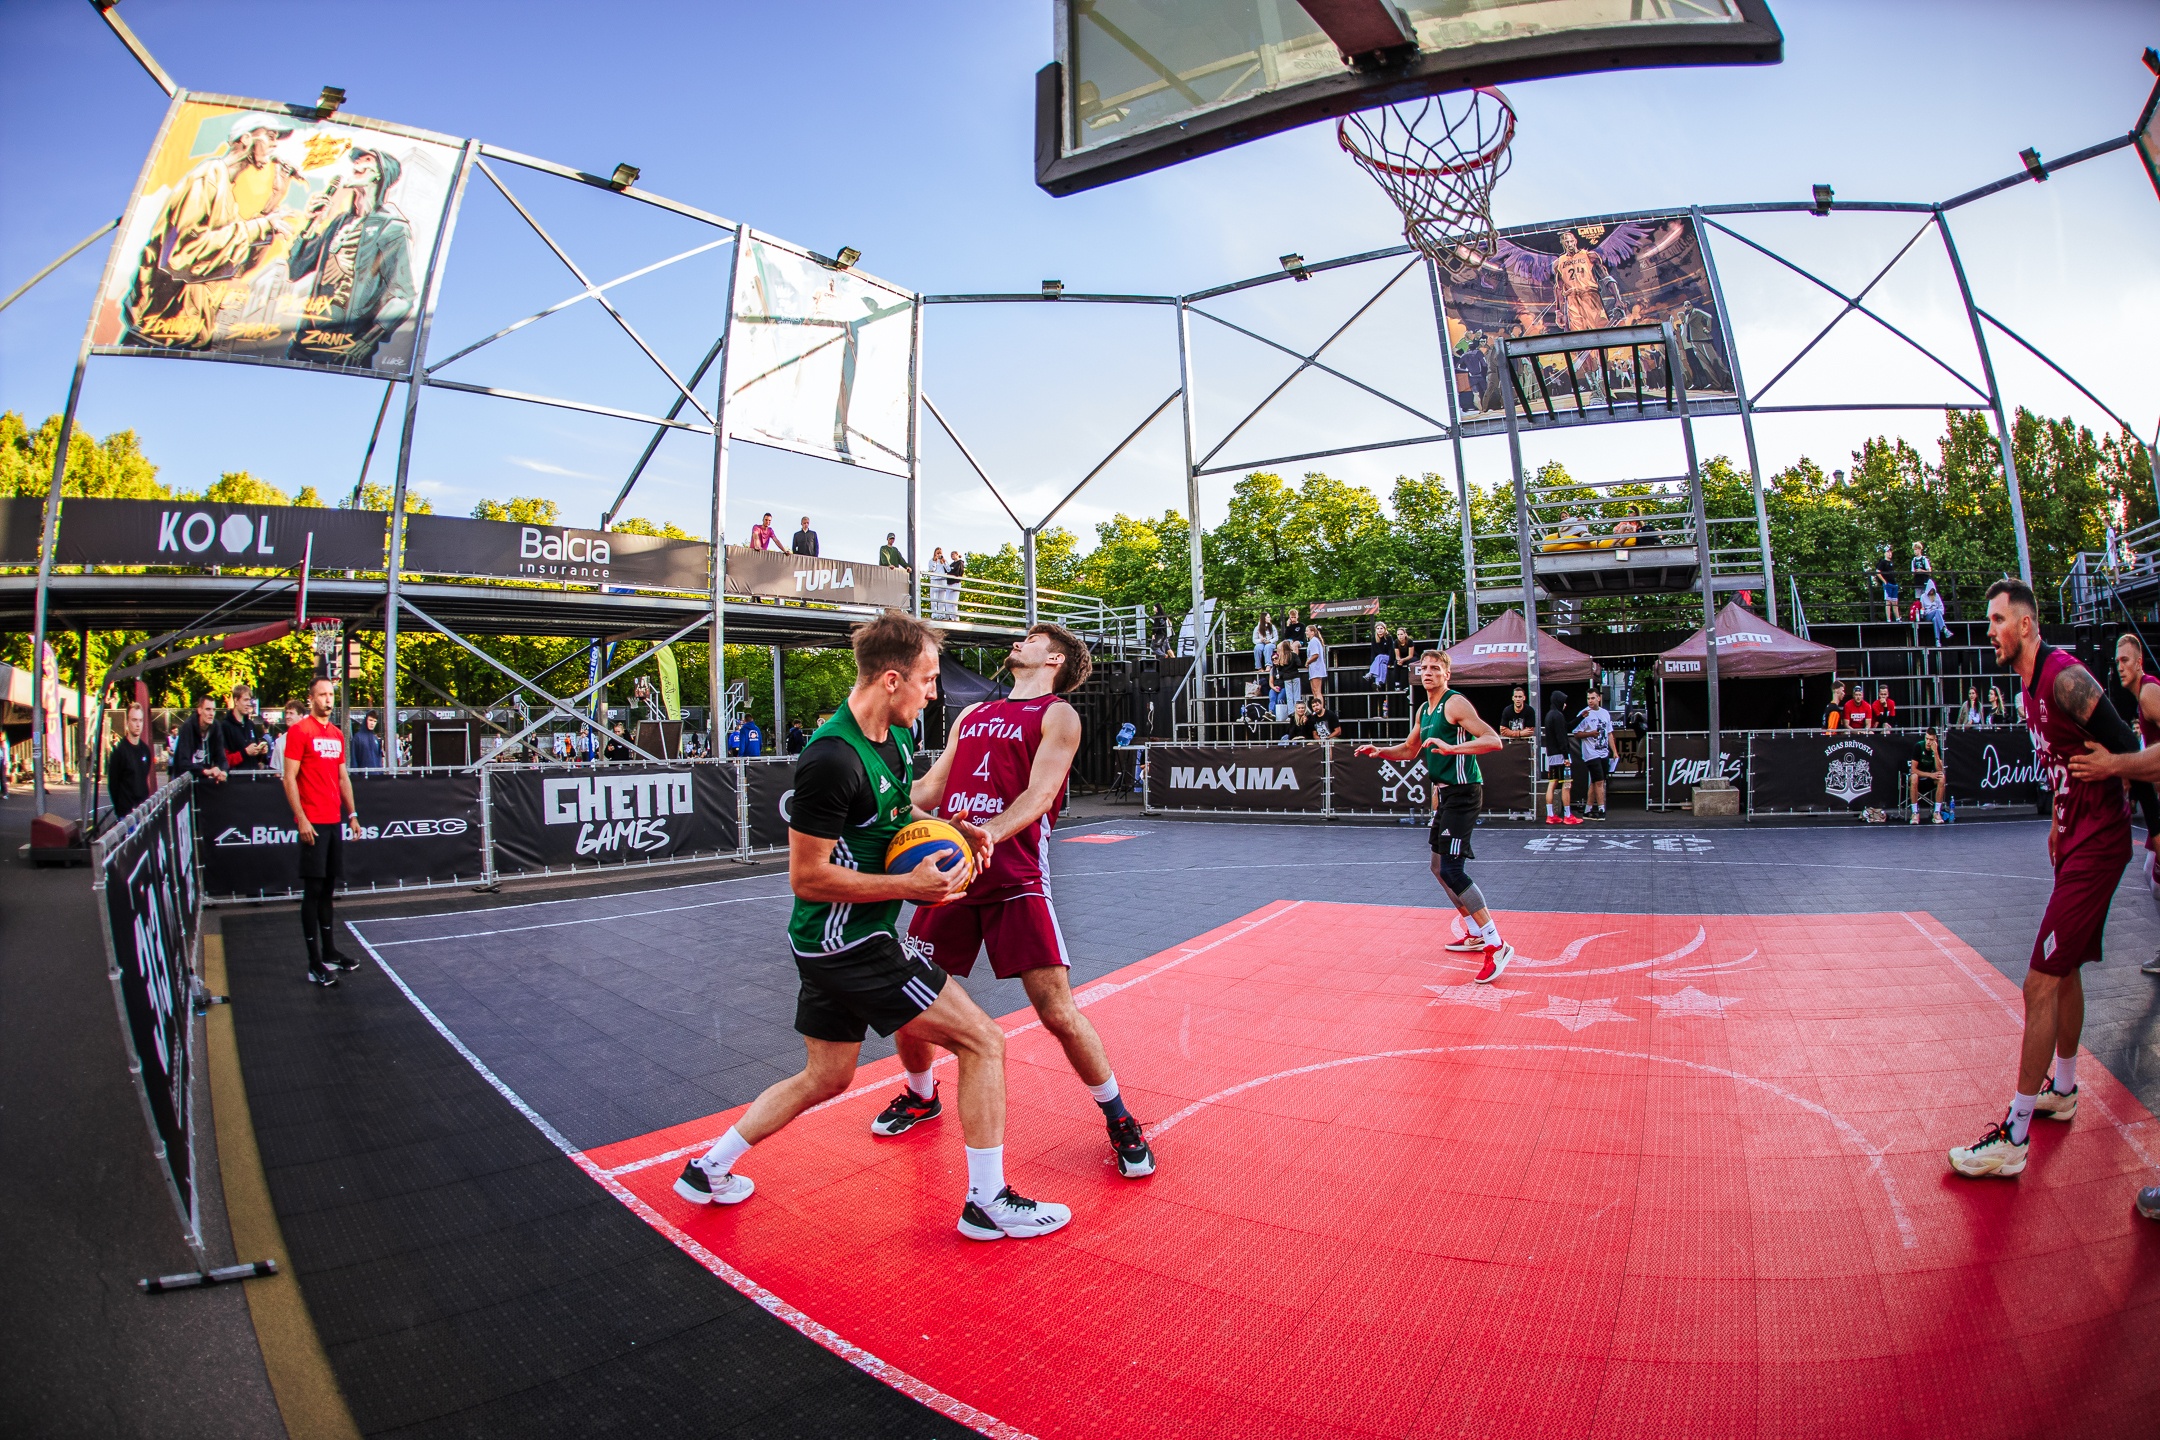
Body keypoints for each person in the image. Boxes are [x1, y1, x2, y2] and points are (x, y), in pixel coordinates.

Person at [674, 612, 1070, 1241]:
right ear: (892, 680)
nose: (934, 693)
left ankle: (707, 1168)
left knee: (826, 1076)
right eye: (928, 680)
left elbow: (896, 813)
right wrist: (910, 888)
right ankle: (987, 1202)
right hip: (849, 942)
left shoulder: (896, 740)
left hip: (828, 943)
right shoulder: (831, 759)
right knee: (983, 1042)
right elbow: (808, 877)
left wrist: (951, 830)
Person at [894, 622, 1154, 1178]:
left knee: (1057, 1011)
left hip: (1015, 878)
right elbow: (930, 789)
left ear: (1055, 659)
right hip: (951, 876)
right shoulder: (972, 713)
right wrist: (873, 794)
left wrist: (985, 833)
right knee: (910, 995)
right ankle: (920, 1094)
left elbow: (1040, 794)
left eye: (1032, 640)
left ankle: (1119, 1117)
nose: (1019, 642)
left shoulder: (1058, 715)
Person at [1947, 579, 2136, 1180]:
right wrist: (2058, 821)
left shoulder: (2064, 678)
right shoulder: (2026, 688)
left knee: (2039, 983)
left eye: (1998, 620)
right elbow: (2062, 765)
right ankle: (2067, 1088)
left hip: (2099, 845)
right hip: (2074, 840)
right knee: (2066, 967)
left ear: (2026, 624)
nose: (1991, 631)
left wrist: (2146, 815)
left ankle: (2015, 1135)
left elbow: (2132, 751)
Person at [1356, 650, 1515, 982]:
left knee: (1453, 871)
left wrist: (1453, 748)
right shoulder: (1423, 710)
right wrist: (1380, 751)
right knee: (1437, 867)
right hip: (1445, 794)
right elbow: (1410, 749)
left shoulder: (1454, 704)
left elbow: (1493, 740)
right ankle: (1474, 931)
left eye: (1435, 668)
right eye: (1424, 668)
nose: (1427, 673)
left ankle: (1496, 943)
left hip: (1464, 792)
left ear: (1447, 675)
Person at [120, 112, 304, 351]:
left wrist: (273, 203)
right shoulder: (206, 178)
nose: (274, 144)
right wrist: (261, 226)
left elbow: (235, 265)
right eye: (270, 136)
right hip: (156, 330)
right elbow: (184, 254)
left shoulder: (225, 189)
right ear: (246, 139)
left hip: (188, 335)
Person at [283, 146, 416, 369]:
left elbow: (403, 296)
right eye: (356, 160)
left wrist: (366, 342)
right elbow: (295, 269)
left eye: (366, 160)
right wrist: (311, 225)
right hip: (307, 341)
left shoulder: (392, 227)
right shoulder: (340, 222)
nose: (357, 164)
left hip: (347, 347)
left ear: (380, 174)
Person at [283, 676, 363, 988]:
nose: (328, 700)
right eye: (322, 695)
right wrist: (301, 819)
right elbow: (289, 778)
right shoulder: (300, 731)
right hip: (312, 822)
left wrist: (352, 814)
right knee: (313, 891)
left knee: (328, 889)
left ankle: (329, 952)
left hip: (333, 821)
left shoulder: (337, 734)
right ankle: (314, 962)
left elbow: (343, 777)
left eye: (331, 694)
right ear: (311, 698)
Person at [2111, 633, 2160, 907]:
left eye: (2125, 660)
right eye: (2117, 661)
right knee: (2151, 875)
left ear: (2139, 662)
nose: (2120, 667)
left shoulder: (2149, 693)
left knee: (2155, 879)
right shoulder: (2143, 697)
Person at [105, 703, 157, 822]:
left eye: (140, 720)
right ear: (127, 722)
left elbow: (144, 777)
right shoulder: (119, 752)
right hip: (126, 815)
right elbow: (113, 784)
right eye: (134, 720)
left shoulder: (145, 750)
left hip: (143, 811)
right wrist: (120, 810)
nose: (138, 724)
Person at [1572, 687, 1616, 820]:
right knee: (1599, 781)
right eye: (1588, 698)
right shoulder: (1584, 714)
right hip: (1591, 753)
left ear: (1599, 698)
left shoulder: (1605, 713)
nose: (1590, 701)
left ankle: (1588, 809)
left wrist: (1614, 751)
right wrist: (1590, 733)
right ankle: (1601, 808)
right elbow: (1576, 733)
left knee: (1596, 781)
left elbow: (1609, 733)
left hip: (1603, 751)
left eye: (1592, 698)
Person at [171, 693, 228, 787]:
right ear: (199, 710)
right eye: (208, 709)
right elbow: (183, 762)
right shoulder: (188, 727)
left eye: (214, 710)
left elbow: (221, 757)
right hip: (185, 782)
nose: (211, 714)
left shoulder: (216, 726)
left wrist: (224, 771)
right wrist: (205, 771)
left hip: (204, 781)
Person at [1541, 689, 1578, 824]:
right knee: (1566, 784)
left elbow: (1567, 727)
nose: (1565, 705)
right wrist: (1566, 756)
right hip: (1561, 756)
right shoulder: (1558, 716)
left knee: (1552, 783)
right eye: (1564, 702)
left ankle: (1550, 814)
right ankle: (1568, 815)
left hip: (1552, 755)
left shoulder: (1549, 715)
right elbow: (1561, 737)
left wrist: (1581, 717)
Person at [218, 682, 273, 771]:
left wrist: (260, 752)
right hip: (237, 777)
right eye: (245, 700)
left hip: (253, 776)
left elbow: (256, 759)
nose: (248, 704)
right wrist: (245, 752)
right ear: (236, 701)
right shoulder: (225, 726)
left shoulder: (250, 724)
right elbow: (224, 760)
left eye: (249, 700)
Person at [1909, 729, 1945, 823]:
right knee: (1914, 777)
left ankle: (1937, 812)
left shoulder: (1937, 748)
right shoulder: (1918, 746)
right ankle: (1915, 813)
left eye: (1931, 740)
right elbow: (1913, 770)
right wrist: (1930, 775)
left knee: (1942, 777)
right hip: (1919, 778)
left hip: (1930, 780)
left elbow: (1939, 769)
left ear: (1935, 740)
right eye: (1927, 739)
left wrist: (1935, 753)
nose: (1928, 742)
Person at [1919, 579, 1948, 645]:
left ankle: (1937, 640)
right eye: (1930, 590)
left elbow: (1941, 608)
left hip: (1937, 614)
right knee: (1936, 611)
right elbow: (1922, 609)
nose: (1931, 592)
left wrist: (1939, 614)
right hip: (1928, 615)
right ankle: (1944, 628)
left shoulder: (1937, 596)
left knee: (1935, 619)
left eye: (1933, 590)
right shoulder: (1923, 597)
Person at [1876, 546, 1900, 624]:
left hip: (1894, 583)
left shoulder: (1891, 562)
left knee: (1895, 602)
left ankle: (1897, 618)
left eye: (1890, 552)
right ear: (1885, 553)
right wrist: (1884, 581)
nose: (1890, 553)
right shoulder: (1883, 562)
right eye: (1888, 552)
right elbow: (1878, 572)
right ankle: (1888, 619)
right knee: (1888, 602)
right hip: (1888, 584)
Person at [1305, 624, 1328, 704]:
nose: (1306, 632)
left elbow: (1315, 655)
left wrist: (1308, 662)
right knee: (1314, 690)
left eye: (1307, 631)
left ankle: (1320, 707)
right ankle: (1316, 706)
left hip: (1316, 668)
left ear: (1312, 632)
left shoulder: (1314, 641)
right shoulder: (1312, 641)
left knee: (1317, 691)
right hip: (1313, 669)